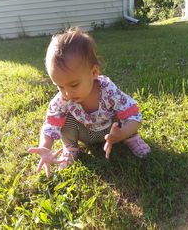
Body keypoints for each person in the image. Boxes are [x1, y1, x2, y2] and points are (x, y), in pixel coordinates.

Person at [28, 27, 150, 178]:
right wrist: (45, 147)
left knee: (122, 112)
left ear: (93, 73)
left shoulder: (108, 91)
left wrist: (122, 133)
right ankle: (71, 148)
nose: (67, 93)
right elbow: (50, 126)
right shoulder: (62, 100)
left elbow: (134, 116)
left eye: (73, 85)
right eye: (59, 86)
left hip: (111, 130)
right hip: (85, 133)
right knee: (63, 118)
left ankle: (130, 137)